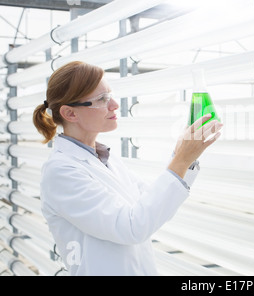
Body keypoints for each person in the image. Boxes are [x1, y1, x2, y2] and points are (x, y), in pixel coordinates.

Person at [32, 60, 223, 276]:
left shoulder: (104, 159)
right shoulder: (60, 172)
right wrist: (180, 160)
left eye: (110, 95)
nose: (114, 104)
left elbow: (150, 206)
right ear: (71, 114)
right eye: (102, 99)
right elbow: (132, 227)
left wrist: (184, 157)